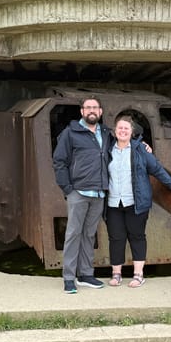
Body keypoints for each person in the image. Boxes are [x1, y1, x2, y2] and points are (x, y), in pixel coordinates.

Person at [105, 115, 171, 288]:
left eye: (126, 129)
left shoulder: (140, 150)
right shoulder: (107, 149)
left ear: (132, 132)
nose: (122, 131)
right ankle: (116, 274)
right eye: (119, 128)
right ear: (114, 131)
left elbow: (156, 169)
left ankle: (138, 275)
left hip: (136, 202)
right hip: (113, 203)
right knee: (116, 238)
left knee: (137, 237)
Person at [52, 96, 110, 294]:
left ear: (100, 112)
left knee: (89, 234)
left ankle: (86, 274)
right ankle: (69, 277)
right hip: (79, 192)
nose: (92, 110)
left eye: (95, 107)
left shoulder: (105, 133)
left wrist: (143, 144)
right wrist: (68, 189)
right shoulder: (71, 133)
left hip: (99, 193)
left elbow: (126, 139)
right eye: (88, 107)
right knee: (73, 233)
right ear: (82, 112)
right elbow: (59, 161)